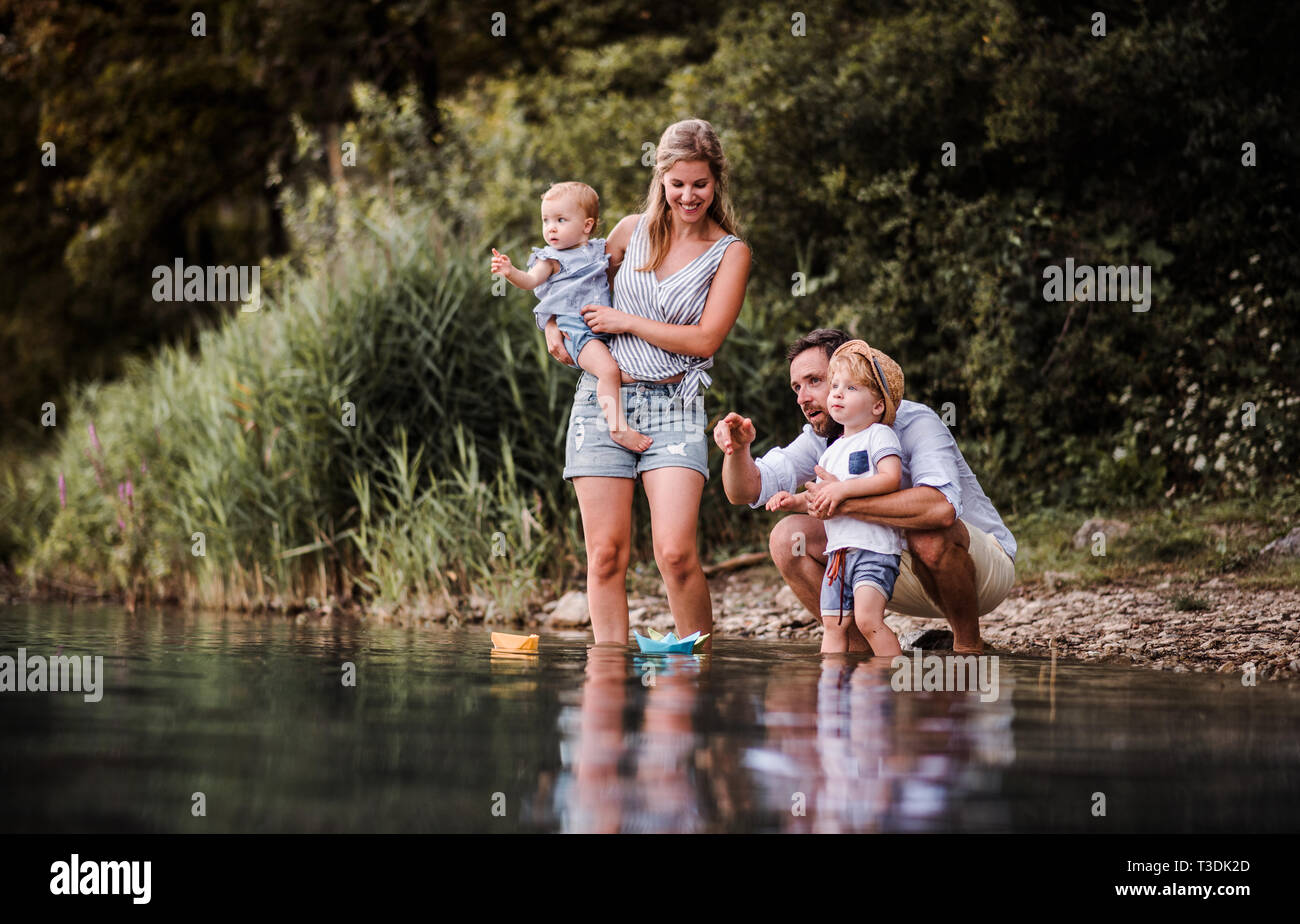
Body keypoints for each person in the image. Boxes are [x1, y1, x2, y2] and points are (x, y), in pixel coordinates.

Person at [548, 119, 751, 650]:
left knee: (676, 553)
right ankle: (608, 680)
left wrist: (628, 323)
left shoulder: (730, 252)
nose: (689, 195)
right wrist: (550, 324)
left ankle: (697, 668)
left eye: (700, 184)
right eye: (677, 183)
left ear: (716, 182)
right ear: (661, 178)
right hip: (603, 400)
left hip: (675, 404)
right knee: (606, 555)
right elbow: (567, 283)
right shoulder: (626, 232)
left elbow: (706, 340)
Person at [713, 328, 1016, 654]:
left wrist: (844, 502)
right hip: (881, 567)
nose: (802, 398)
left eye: (815, 381)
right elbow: (745, 492)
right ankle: (861, 659)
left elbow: (940, 508)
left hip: (979, 573)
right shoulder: (823, 438)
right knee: (788, 539)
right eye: (797, 387)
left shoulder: (914, 422)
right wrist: (737, 451)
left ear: (852, 370)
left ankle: (968, 647)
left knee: (927, 531)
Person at [765, 340, 906, 656]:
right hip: (838, 555)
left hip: (873, 549)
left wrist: (842, 490)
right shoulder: (832, 449)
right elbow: (819, 496)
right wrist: (794, 501)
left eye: (851, 388)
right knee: (832, 624)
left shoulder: (879, 435)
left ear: (877, 405)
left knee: (868, 620)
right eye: (836, 387)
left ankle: (893, 678)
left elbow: (890, 478)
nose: (838, 394)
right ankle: (831, 686)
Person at [491, 181, 651, 452]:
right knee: (608, 371)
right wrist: (510, 272)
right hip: (577, 330)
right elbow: (530, 281)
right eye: (546, 220)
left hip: (602, 326)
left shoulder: (598, 250)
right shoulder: (551, 259)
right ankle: (617, 428)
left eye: (560, 220)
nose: (550, 227)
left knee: (618, 367)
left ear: (587, 226)